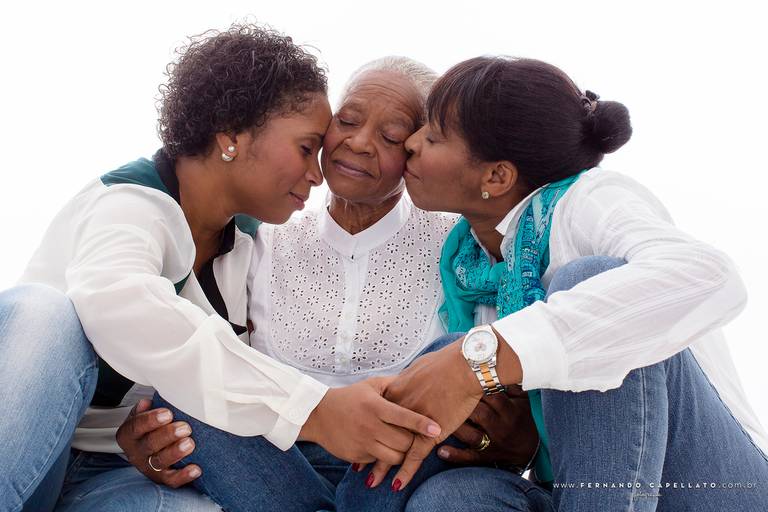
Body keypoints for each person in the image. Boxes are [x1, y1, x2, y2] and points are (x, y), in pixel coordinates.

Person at [0, 25, 441, 512]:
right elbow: (123, 307)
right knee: (42, 313)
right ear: (232, 136)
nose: (319, 174)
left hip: (122, 474)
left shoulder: (250, 246)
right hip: (31, 457)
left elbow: (218, 392)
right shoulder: (128, 204)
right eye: (304, 148)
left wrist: (153, 441)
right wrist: (312, 409)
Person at [361, 56, 768, 511]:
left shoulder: (589, 200)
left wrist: (480, 359)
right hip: (578, 486)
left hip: (715, 487)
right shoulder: (464, 263)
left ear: (496, 176)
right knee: (452, 498)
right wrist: (518, 440)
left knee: (590, 280)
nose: (412, 144)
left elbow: (709, 275)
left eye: (433, 135)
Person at [136, 57, 540, 512]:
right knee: (186, 380)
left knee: (452, 350)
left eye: (391, 137)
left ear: (416, 154)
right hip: (276, 471)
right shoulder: (265, 239)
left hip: (400, 480)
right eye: (347, 120)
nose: (360, 142)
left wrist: (516, 433)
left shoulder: (456, 246)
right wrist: (148, 435)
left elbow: (500, 392)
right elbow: (207, 373)